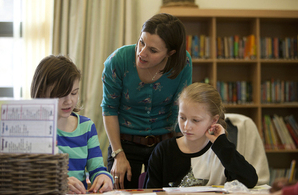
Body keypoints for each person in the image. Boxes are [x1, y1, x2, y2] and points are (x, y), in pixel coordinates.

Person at [101, 13, 192, 189]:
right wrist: (118, 154)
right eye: (141, 42)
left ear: (170, 53)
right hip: (123, 143)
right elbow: (109, 109)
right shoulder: (118, 61)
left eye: (153, 50)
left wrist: (182, 150)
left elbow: (180, 108)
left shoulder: (183, 63)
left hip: (165, 142)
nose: (142, 52)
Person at [145, 82, 258, 188]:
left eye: (195, 120)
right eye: (182, 118)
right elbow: (150, 191)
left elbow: (250, 181)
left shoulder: (222, 151)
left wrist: (222, 143)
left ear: (214, 120)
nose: (186, 126)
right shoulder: (163, 151)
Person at [30, 55, 113, 194]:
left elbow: (97, 168)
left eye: (74, 93)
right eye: (61, 95)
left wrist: (103, 177)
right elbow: (27, 175)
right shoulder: (33, 128)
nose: (69, 101)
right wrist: (57, 181)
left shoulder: (87, 127)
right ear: (42, 92)